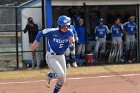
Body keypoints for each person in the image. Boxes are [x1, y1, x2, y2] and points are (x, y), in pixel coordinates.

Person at [30, 15, 74, 93]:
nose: (65, 28)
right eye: (63, 26)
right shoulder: (53, 31)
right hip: (51, 56)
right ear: (59, 25)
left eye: (67, 26)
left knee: (62, 79)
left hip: (61, 56)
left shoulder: (70, 33)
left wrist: (71, 44)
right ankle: (49, 75)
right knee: (60, 74)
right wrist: (35, 43)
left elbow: (71, 49)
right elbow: (41, 33)